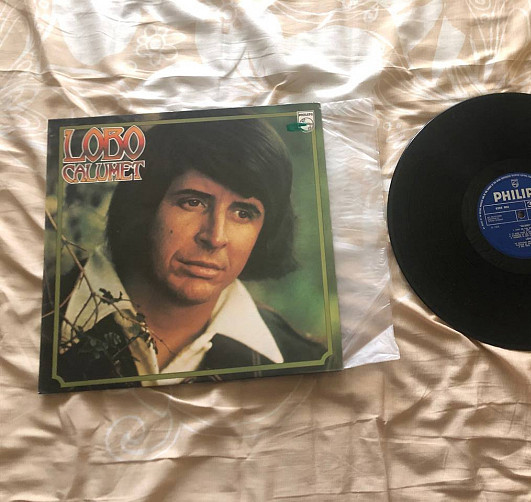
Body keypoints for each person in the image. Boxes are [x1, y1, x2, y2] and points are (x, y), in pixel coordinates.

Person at [47, 118, 326, 388]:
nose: (215, 237)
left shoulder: (302, 361)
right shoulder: (40, 320)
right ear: (143, 206)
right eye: (193, 202)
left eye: (243, 213)